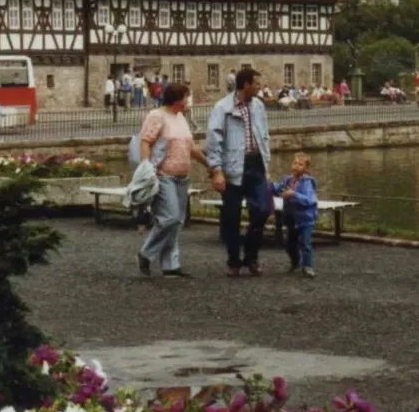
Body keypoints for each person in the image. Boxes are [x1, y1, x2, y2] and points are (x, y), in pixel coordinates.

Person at [136, 82, 207, 277]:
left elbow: (191, 147)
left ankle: (170, 265)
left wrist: (208, 164)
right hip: (163, 175)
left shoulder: (181, 118)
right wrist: (146, 169)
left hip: (182, 177)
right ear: (177, 100)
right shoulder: (157, 116)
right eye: (186, 97)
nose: (188, 101)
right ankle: (146, 253)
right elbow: (146, 141)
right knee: (170, 217)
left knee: (177, 221)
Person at [206, 68, 271, 276]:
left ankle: (251, 255)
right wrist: (216, 170)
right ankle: (234, 260)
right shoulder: (222, 108)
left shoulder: (258, 105)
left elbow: (264, 134)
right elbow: (214, 140)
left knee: (263, 209)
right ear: (246, 85)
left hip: (256, 164)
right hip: (233, 166)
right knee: (231, 217)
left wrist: (266, 161)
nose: (259, 87)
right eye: (256, 84)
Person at [272, 153, 318, 277]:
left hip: (305, 219)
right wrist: (269, 185)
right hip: (292, 218)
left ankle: (307, 266)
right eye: (295, 163)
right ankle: (295, 262)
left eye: (300, 164)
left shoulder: (307, 182)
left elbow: (309, 200)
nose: (296, 166)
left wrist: (293, 194)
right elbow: (278, 189)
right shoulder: (288, 179)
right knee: (290, 244)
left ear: (306, 168)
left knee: (305, 243)